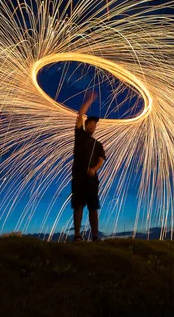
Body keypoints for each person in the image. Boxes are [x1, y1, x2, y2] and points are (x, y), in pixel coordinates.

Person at [72, 92, 106, 242]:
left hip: (92, 179)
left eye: (95, 124)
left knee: (93, 207)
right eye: (91, 123)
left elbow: (101, 160)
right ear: (86, 125)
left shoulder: (98, 145)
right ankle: (77, 235)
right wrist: (89, 101)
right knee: (78, 205)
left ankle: (95, 236)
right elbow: (80, 115)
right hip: (79, 177)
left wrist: (94, 169)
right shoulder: (79, 135)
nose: (93, 125)